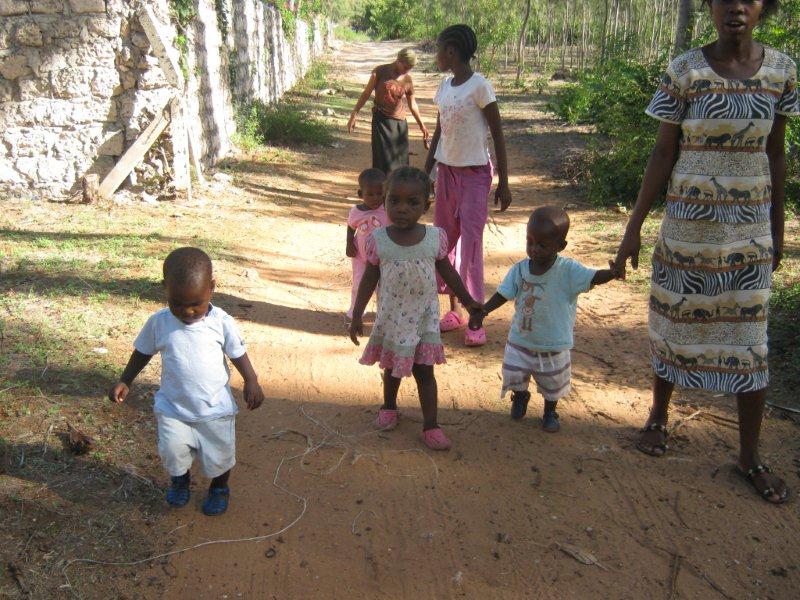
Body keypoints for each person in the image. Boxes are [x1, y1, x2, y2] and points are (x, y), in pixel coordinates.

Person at [614, 0, 796, 503]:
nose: (736, 7)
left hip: (748, 233)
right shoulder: (685, 71)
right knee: (674, 322)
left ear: (764, 7)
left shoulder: (781, 71)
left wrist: (777, 228)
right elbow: (663, 152)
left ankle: (750, 456)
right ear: (711, 7)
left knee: (750, 338)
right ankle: (658, 417)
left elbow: (776, 154)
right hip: (687, 231)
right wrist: (634, 227)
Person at [108, 248, 264, 516]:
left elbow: (237, 353)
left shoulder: (221, 322)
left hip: (215, 409)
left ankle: (219, 487)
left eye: (196, 304)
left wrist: (251, 380)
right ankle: (180, 481)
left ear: (211, 288)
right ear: (165, 288)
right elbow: (142, 352)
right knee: (173, 452)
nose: (187, 311)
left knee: (219, 456)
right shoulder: (159, 323)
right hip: (173, 408)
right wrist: (126, 379)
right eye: (178, 304)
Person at [348, 167, 482, 450]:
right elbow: (369, 278)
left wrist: (467, 300)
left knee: (424, 372)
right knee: (391, 367)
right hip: (392, 319)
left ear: (425, 206)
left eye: (412, 202)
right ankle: (388, 407)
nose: (402, 209)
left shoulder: (434, 238)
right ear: (384, 201)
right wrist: (357, 313)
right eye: (394, 200)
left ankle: (431, 425)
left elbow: (448, 272)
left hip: (423, 321)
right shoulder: (378, 241)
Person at [470, 207, 619, 432]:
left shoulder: (568, 270)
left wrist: (611, 273)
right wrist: (483, 311)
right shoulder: (520, 270)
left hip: (553, 344)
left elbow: (592, 277)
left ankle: (550, 411)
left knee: (553, 383)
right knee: (514, 374)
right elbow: (503, 294)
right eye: (530, 242)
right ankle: (520, 396)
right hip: (520, 340)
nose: (534, 249)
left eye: (542, 245)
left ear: (560, 246)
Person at [424, 24, 512, 347]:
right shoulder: (444, 87)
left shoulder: (480, 87)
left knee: (471, 244)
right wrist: (426, 172)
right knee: (444, 241)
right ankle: (455, 310)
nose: (437, 55)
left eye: (439, 50)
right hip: (447, 172)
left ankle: (476, 315)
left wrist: (504, 181)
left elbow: (497, 134)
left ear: (451, 52)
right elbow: (439, 131)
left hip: (475, 175)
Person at [348, 48, 430, 174]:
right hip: (381, 122)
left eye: (410, 68)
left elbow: (412, 104)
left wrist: (422, 126)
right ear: (398, 60)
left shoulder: (407, 79)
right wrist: (354, 113)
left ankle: (399, 186)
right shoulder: (380, 72)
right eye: (405, 67)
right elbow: (366, 94)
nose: (407, 71)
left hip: (399, 125)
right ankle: (383, 186)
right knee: (382, 162)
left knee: (401, 164)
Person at [346, 168, 389, 321]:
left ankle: (384, 314)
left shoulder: (387, 210)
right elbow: (351, 227)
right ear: (360, 194)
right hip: (360, 256)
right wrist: (349, 244)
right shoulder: (356, 211)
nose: (375, 198)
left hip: (383, 258)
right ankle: (355, 312)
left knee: (383, 286)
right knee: (358, 284)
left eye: (379, 193)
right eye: (370, 194)